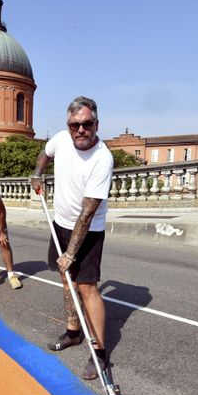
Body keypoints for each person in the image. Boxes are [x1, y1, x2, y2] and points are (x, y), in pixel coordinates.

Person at [30, 96, 114, 380]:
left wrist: (70, 254)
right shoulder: (61, 139)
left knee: (87, 287)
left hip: (88, 230)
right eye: (74, 125)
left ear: (96, 124)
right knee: (66, 280)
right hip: (61, 223)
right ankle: (73, 332)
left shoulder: (102, 159)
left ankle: (99, 353)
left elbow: (87, 215)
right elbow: (45, 153)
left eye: (86, 124)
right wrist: (37, 174)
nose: (80, 130)